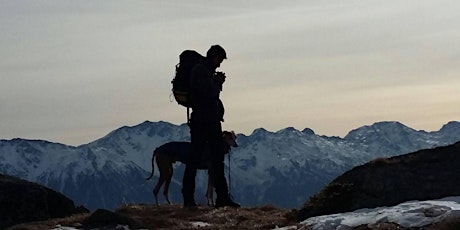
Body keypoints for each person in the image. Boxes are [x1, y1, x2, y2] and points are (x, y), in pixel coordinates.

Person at [182, 45, 240, 208]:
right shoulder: (201, 71)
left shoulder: (204, 71)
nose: (220, 64)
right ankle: (191, 199)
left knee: (212, 158)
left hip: (207, 120)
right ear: (214, 57)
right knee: (199, 159)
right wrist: (218, 82)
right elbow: (208, 94)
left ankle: (220, 197)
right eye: (220, 60)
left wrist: (216, 82)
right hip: (203, 120)